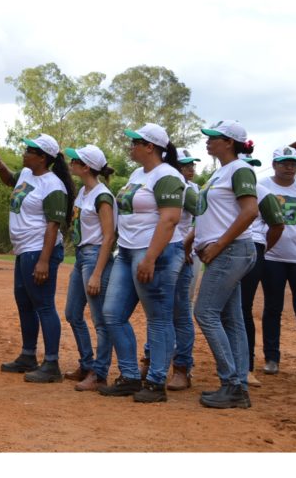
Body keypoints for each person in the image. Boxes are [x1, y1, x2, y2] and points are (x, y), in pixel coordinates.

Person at [97, 123, 185, 403]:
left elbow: (169, 219)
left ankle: (156, 382)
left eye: (136, 142)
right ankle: (131, 377)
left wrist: (150, 258)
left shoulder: (168, 176)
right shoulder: (138, 173)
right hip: (126, 251)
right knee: (111, 314)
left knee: (158, 319)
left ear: (150, 147)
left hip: (153, 253)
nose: (131, 145)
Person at [0, 133, 75, 383]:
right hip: (24, 250)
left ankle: (52, 364)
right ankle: (28, 355)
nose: (24, 153)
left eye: (30, 150)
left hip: (39, 250)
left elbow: (53, 226)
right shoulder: (27, 175)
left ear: (42, 158)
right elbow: (9, 180)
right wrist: (1, 165)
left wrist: (44, 261)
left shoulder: (53, 186)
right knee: (24, 302)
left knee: (44, 305)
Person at [191, 120, 260, 409]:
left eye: (213, 138)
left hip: (231, 250)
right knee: (231, 320)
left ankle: (232, 383)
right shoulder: (221, 172)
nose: (207, 141)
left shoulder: (240, 169)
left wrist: (218, 245)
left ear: (229, 142)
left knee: (204, 312)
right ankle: (238, 386)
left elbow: (250, 211)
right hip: (225, 251)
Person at [142, 147, 204, 391]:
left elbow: (205, 217)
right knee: (156, 311)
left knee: (179, 311)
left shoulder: (188, 189)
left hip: (178, 253)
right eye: (185, 163)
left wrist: (188, 245)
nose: (190, 168)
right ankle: (152, 360)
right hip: (157, 251)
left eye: (192, 164)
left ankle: (181, 368)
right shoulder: (155, 180)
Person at [61, 144, 117, 391]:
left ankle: (100, 372)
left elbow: (109, 236)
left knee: (100, 319)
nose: (71, 162)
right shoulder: (84, 192)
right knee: (73, 313)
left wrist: (97, 274)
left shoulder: (102, 196)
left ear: (86, 167)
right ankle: (87, 363)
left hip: (95, 256)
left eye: (76, 161)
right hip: (83, 255)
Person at [260, 146, 296, 380]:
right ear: (274, 165)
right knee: (273, 307)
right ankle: (272, 358)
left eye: (293, 163)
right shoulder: (263, 187)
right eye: (283, 163)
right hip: (272, 256)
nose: (289, 167)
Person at [237, 151, 285, 388]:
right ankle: (234, 364)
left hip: (250, 246)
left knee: (242, 307)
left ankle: (246, 367)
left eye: (252, 166)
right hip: (225, 248)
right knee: (225, 309)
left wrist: (262, 248)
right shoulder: (223, 186)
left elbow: (277, 225)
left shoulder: (262, 192)